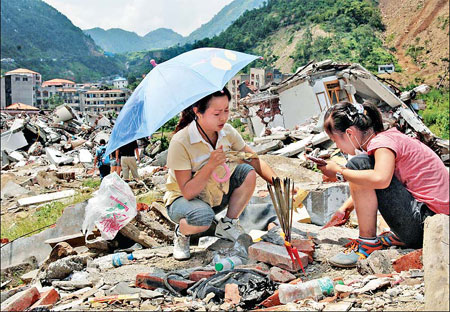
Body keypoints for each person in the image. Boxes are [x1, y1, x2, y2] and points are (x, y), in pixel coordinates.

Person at [317, 101, 449, 268]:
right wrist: (345, 209)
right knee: (363, 167)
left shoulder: (382, 145)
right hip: (436, 222)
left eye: (335, 140)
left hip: (428, 227)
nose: (337, 147)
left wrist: (339, 172)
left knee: (358, 165)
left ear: (349, 133)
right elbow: (373, 181)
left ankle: (367, 243)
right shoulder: (389, 138)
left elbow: (381, 179)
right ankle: (398, 236)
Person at [164, 87, 277, 260]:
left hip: (216, 195)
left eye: (226, 110)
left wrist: (278, 183)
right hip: (183, 202)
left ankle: (228, 223)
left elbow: (253, 158)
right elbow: (187, 192)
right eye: (217, 113)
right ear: (197, 112)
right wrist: (210, 165)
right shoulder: (181, 141)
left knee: (248, 172)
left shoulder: (227, 132)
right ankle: (182, 234)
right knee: (203, 217)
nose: (224, 117)